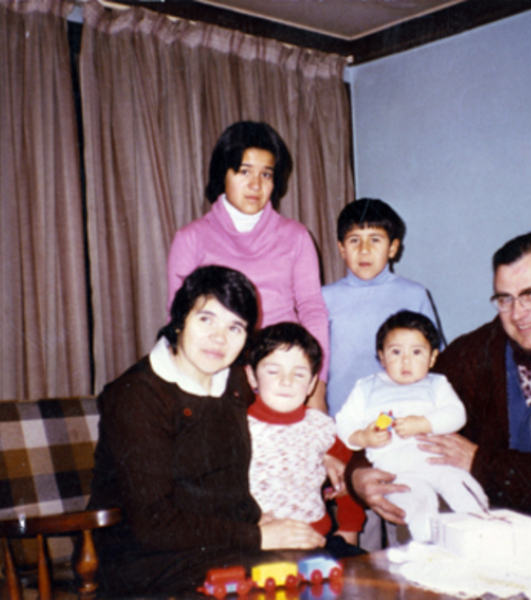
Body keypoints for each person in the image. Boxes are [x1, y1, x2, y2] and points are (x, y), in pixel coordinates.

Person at [88, 266, 324, 595]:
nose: (219, 338)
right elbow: (152, 523)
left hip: (227, 549)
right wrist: (257, 536)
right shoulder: (136, 395)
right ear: (180, 318)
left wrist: (341, 465)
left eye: (235, 327)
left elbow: (278, 429)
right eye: (206, 319)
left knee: (345, 566)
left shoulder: (235, 382)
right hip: (149, 565)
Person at [350, 229, 531, 527]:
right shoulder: (472, 354)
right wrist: (359, 474)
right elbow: (397, 401)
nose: (518, 313)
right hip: (488, 534)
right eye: (505, 299)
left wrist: (480, 463)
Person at [167, 121, 328, 411]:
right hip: (218, 377)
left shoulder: (296, 236)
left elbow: (312, 309)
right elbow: (180, 323)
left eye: (266, 174)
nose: (256, 185)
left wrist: (316, 388)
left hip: (286, 376)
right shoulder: (190, 239)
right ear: (223, 174)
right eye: (244, 171)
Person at [322, 198, 440, 548]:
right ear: (341, 248)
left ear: (393, 247)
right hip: (348, 428)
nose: (364, 248)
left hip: (403, 426)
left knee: (406, 513)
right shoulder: (324, 298)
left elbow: (435, 361)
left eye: (375, 239)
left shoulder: (414, 294)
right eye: (355, 239)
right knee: (357, 520)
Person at [336, 311, 487, 542]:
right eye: (396, 352)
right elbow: (344, 421)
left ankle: (481, 526)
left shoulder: (437, 384)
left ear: (432, 357)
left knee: (461, 487)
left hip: (439, 461)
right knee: (415, 505)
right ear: (381, 357)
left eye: (417, 352)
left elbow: (457, 415)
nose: (406, 361)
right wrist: (363, 437)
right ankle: (424, 546)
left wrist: (423, 423)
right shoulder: (366, 387)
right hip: (397, 471)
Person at [245, 322, 366, 556]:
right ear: (252, 376)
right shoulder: (239, 427)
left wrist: (350, 528)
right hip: (263, 542)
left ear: (311, 383)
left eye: (298, 374)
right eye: (273, 371)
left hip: (317, 540)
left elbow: (348, 478)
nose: (286, 381)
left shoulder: (321, 426)